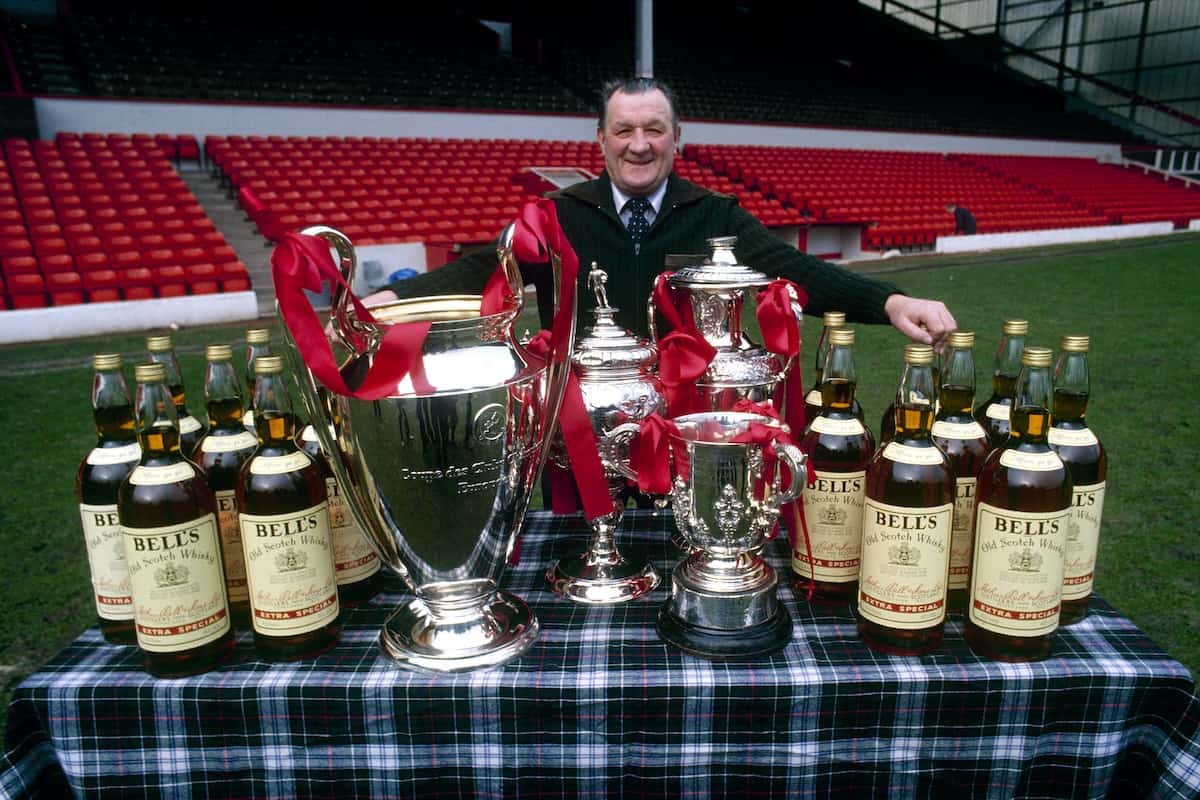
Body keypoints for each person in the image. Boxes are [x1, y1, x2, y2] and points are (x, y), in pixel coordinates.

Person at [365, 77, 956, 348]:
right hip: (577, 428)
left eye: (654, 129)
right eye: (624, 130)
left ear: (677, 137)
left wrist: (892, 301)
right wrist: (398, 299)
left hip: (685, 423)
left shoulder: (715, 213)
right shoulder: (555, 214)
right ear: (600, 139)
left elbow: (791, 269)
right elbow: (482, 274)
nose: (639, 144)